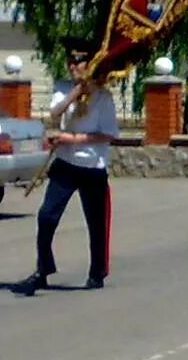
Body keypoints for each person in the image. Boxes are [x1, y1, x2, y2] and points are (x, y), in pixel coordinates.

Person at [15, 39, 117, 296]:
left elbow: (107, 134)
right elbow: (55, 113)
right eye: (70, 61)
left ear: (90, 63)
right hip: (65, 165)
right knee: (46, 215)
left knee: (97, 222)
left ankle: (97, 272)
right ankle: (43, 270)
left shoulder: (103, 97)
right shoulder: (63, 88)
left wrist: (71, 139)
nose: (73, 65)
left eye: (79, 61)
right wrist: (76, 92)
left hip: (92, 166)